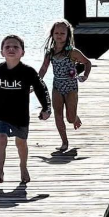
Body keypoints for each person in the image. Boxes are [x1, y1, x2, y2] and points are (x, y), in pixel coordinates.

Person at [0, 34, 51, 184]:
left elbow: (41, 88)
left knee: (21, 142)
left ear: (23, 52)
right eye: (7, 47)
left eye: (16, 47)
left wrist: (46, 108)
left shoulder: (28, 71)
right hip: (2, 113)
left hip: (20, 114)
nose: (11, 49)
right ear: (2, 52)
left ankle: (23, 166)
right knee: (1, 138)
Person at [39, 20, 92, 153]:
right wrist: (36, 82)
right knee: (58, 115)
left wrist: (85, 76)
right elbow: (44, 68)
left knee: (70, 118)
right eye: (56, 33)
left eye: (62, 33)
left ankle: (75, 117)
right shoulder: (50, 52)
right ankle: (64, 142)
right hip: (57, 86)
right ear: (52, 34)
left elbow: (87, 62)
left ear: (68, 35)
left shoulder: (72, 52)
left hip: (71, 87)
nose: (59, 35)